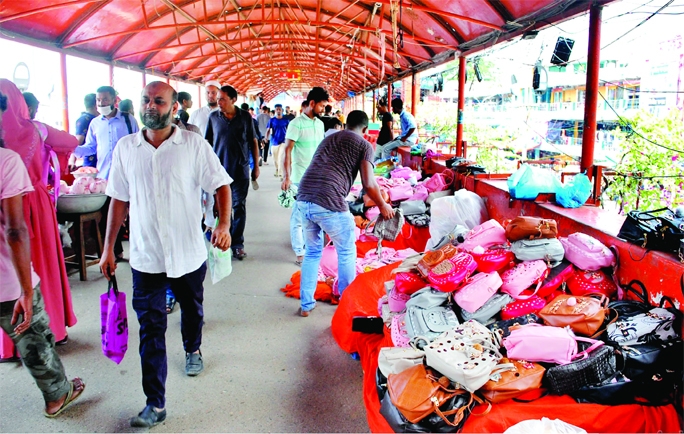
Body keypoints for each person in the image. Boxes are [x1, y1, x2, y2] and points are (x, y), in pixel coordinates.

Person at [100, 81, 233, 428]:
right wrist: (108, 249)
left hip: (188, 253)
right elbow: (118, 200)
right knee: (151, 329)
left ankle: (193, 348)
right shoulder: (126, 148)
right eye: (146, 100)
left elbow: (221, 184)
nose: (150, 106)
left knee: (192, 308)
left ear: (174, 108)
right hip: (146, 257)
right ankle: (155, 402)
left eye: (159, 101)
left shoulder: (192, 144)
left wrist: (223, 225)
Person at [0, 93, 86, 417]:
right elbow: (15, 231)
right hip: (31, 209)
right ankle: (56, 392)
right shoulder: (32, 135)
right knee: (35, 292)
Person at [295, 110, 393, 316]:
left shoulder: (329, 138)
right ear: (365, 129)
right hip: (328, 199)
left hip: (304, 196)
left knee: (312, 252)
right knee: (347, 250)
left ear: (346, 124)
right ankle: (347, 305)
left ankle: (306, 305)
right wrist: (383, 205)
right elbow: (369, 183)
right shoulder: (364, 145)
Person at [72, 85, 139, 261]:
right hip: (105, 179)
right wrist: (73, 149)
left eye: (105, 99)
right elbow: (91, 147)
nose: (101, 103)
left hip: (129, 175)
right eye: (98, 100)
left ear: (114, 100)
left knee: (137, 214)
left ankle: (141, 251)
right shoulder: (95, 123)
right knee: (109, 217)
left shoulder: (127, 120)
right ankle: (115, 252)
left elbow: (139, 143)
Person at [205, 85, 260, 261]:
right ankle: (224, 241)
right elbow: (207, 143)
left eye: (222, 99)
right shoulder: (213, 117)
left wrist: (256, 166)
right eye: (217, 98)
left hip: (240, 170)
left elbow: (253, 142)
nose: (218, 102)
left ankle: (237, 244)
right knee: (222, 209)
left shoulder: (245, 117)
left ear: (233, 100)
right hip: (219, 172)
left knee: (239, 206)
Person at [281, 87, 328, 265]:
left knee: (316, 214)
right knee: (298, 217)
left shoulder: (320, 123)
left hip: (317, 178)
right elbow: (287, 150)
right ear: (312, 103)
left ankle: (312, 248)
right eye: (322, 106)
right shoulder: (296, 124)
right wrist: (286, 177)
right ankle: (300, 253)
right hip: (300, 178)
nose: (323, 109)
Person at [70, 93, 99, 168]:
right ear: (96, 105)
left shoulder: (98, 119)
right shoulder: (85, 120)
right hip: (91, 163)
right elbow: (76, 143)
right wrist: (72, 161)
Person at [265, 104, 289, 178]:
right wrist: (266, 138)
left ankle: (281, 174)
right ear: (275, 111)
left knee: (281, 158)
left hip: (283, 141)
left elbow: (289, 130)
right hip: (274, 142)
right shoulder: (272, 120)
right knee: (275, 159)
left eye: (280, 109)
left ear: (282, 111)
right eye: (277, 109)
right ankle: (277, 168)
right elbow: (268, 130)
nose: (278, 111)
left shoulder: (286, 120)